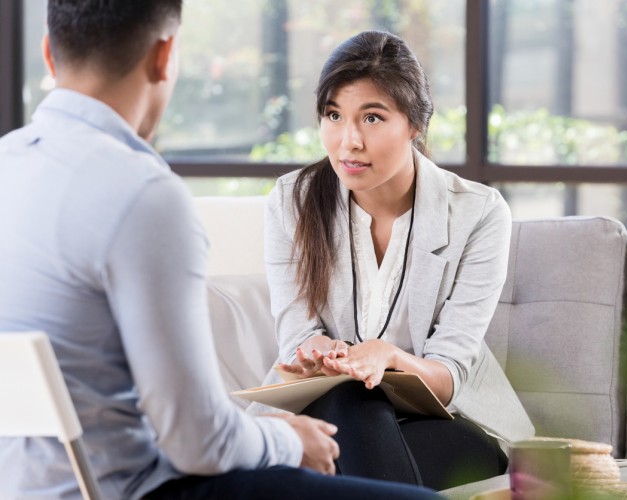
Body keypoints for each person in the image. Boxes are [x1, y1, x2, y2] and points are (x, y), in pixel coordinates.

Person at [0, 3, 439, 499]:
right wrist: (288, 441)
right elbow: (196, 441)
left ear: (47, 52)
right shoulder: (143, 194)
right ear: (165, 56)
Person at [258, 30, 535, 490]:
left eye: (371, 117)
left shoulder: (479, 212)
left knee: (339, 429)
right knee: (345, 397)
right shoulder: (293, 201)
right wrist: (321, 354)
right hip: (334, 415)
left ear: (415, 124)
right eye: (333, 115)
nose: (348, 142)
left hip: (449, 423)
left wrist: (391, 359)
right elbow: (296, 337)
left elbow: (451, 376)